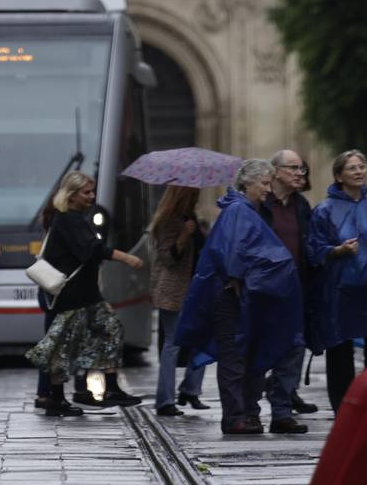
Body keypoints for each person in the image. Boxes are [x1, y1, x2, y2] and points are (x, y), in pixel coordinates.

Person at [175, 159, 304, 435]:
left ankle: (245, 413)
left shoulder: (246, 210)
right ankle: (236, 416)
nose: (269, 189)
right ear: (247, 183)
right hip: (233, 296)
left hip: (245, 296)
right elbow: (232, 249)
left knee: (245, 356)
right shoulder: (238, 211)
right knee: (234, 358)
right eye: (264, 184)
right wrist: (236, 276)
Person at [25, 170, 145, 416]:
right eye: (86, 192)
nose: (92, 196)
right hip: (72, 297)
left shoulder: (77, 217)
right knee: (64, 345)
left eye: (92, 191)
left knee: (110, 330)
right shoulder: (68, 218)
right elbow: (91, 249)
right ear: (71, 195)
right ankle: (57, 398)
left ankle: (108, 387)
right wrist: (126, 257)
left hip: (87, 295)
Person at [307, 149, 367, 413]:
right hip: (339, 292)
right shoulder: (324, 211)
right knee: (340, 352)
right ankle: (344, 410)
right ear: (339, 176)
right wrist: (337, 251)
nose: (359, 171)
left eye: (362, 166)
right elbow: (314, 250)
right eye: (352, 168)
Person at [258, 149, 316, 429]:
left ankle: (281, 412)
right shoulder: (260, 204)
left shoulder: (302, 205)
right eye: (293, 168)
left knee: (294, 349)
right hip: (265, 290)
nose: (299, 174)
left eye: (301, 169)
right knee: (260, 350)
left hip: (296, 290)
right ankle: (248, 408)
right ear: (276, 171)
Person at [148, 185, 207, 416]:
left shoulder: (191, 218)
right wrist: (184, 235)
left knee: (201, 340)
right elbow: (168, 258)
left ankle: (190, 390)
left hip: (196, 289)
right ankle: (165, 400)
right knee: (172, 343)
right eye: (193, 194)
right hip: (172, 290)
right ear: (182, 195)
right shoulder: (168, 221)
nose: (196, 198)